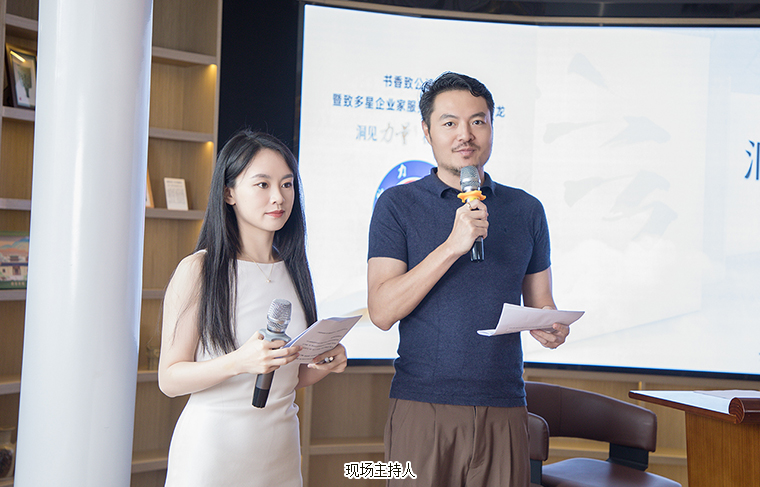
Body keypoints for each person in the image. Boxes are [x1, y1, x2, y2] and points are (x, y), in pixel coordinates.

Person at [367, 72, 570, 487]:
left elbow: (541, 302)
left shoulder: (526, 209)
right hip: (422, 406)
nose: (466, 135)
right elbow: (382, 312)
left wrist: (550, 325)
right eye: (450, 123)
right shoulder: (397, 205)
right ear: (427, 131)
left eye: (478, 121)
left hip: (505, 405)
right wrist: (451, 246)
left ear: (492, 127)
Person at [158, 129, 347, 486]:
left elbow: (283, 378)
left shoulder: (294, 269)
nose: (279, 197)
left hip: (280, 455)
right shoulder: (200, 269)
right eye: (263, 184)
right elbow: (169, 379)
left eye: (287, 184)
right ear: (228, 193)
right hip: (212, 456)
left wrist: (320, 365)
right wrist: (239, 361)